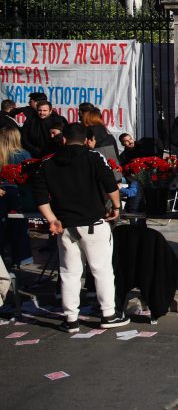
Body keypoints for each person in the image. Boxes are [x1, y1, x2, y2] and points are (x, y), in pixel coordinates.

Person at [30, 123, 128, 332]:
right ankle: (108, 314)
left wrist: (51, 220)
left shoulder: (48, 163)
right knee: (101, 270)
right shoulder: (94, 158)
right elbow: (111, 185)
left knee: (69, 273)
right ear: (86, 140)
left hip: (65, 225)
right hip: (93, 223)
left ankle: (71, 318)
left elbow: (39, 196)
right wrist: (117, 207)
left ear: (63, 139)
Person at [0, 127, 32, 266]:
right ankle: (21, 257)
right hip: (19, 193)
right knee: (19, 225)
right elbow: (31, 176)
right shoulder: (24, 154)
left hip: (2, 193)